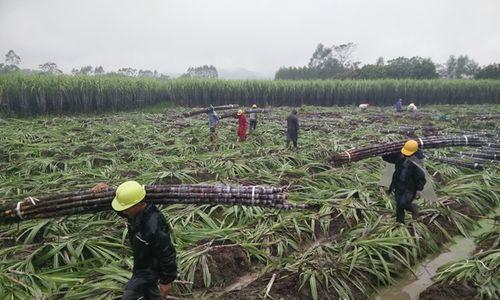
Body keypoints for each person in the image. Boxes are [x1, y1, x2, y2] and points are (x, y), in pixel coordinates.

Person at [91, 181, 178, 300]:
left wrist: (167, 280)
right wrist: (106, 190)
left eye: (126, 208)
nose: (124, 212)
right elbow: (123, 210)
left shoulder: (154, 225)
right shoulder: (136, 212)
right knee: (151, 294)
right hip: (141, 265)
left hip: (149, 269)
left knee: (129, 294)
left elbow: (167, 252)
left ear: (137, 204)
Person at [382, 140, 426, 224]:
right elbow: (390, 159)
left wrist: (419, 189)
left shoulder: (417, 163)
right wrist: (383, 152)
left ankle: (414, 209)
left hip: (410, 187)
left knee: (403, 203)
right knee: (399, 205)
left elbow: (420, 177)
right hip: (399, 184)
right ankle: (400, 222)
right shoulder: (401, 157)